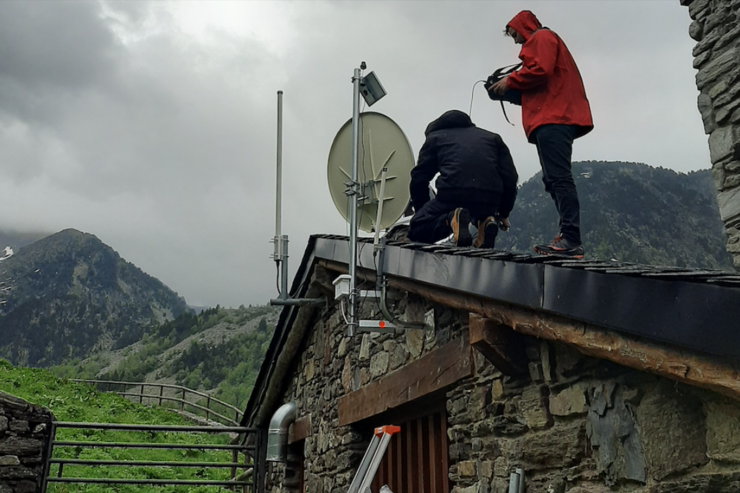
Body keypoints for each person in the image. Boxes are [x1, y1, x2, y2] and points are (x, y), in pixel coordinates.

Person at [489, 10, 593, 258]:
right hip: (553, 116)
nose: (515, 41)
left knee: (559, 178)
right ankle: (567, 238)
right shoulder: (544, 40)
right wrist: (509, 90)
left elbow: (541, 70)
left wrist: (510, 82)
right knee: (553, 179)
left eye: (515, 34)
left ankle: (571, 239)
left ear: (522, 27)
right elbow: (541, 83)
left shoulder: (541, 37)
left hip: (554, 119)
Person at [407, 110, 518, 249]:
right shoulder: (493, 138)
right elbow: (510, 177)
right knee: (475, 209)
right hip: (489, 197)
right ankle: (485, 223)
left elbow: (419, 178)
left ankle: (451, 218)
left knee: (417, 230)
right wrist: (503, 213)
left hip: (453, 193)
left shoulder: (435, 138)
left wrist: (422, 212)